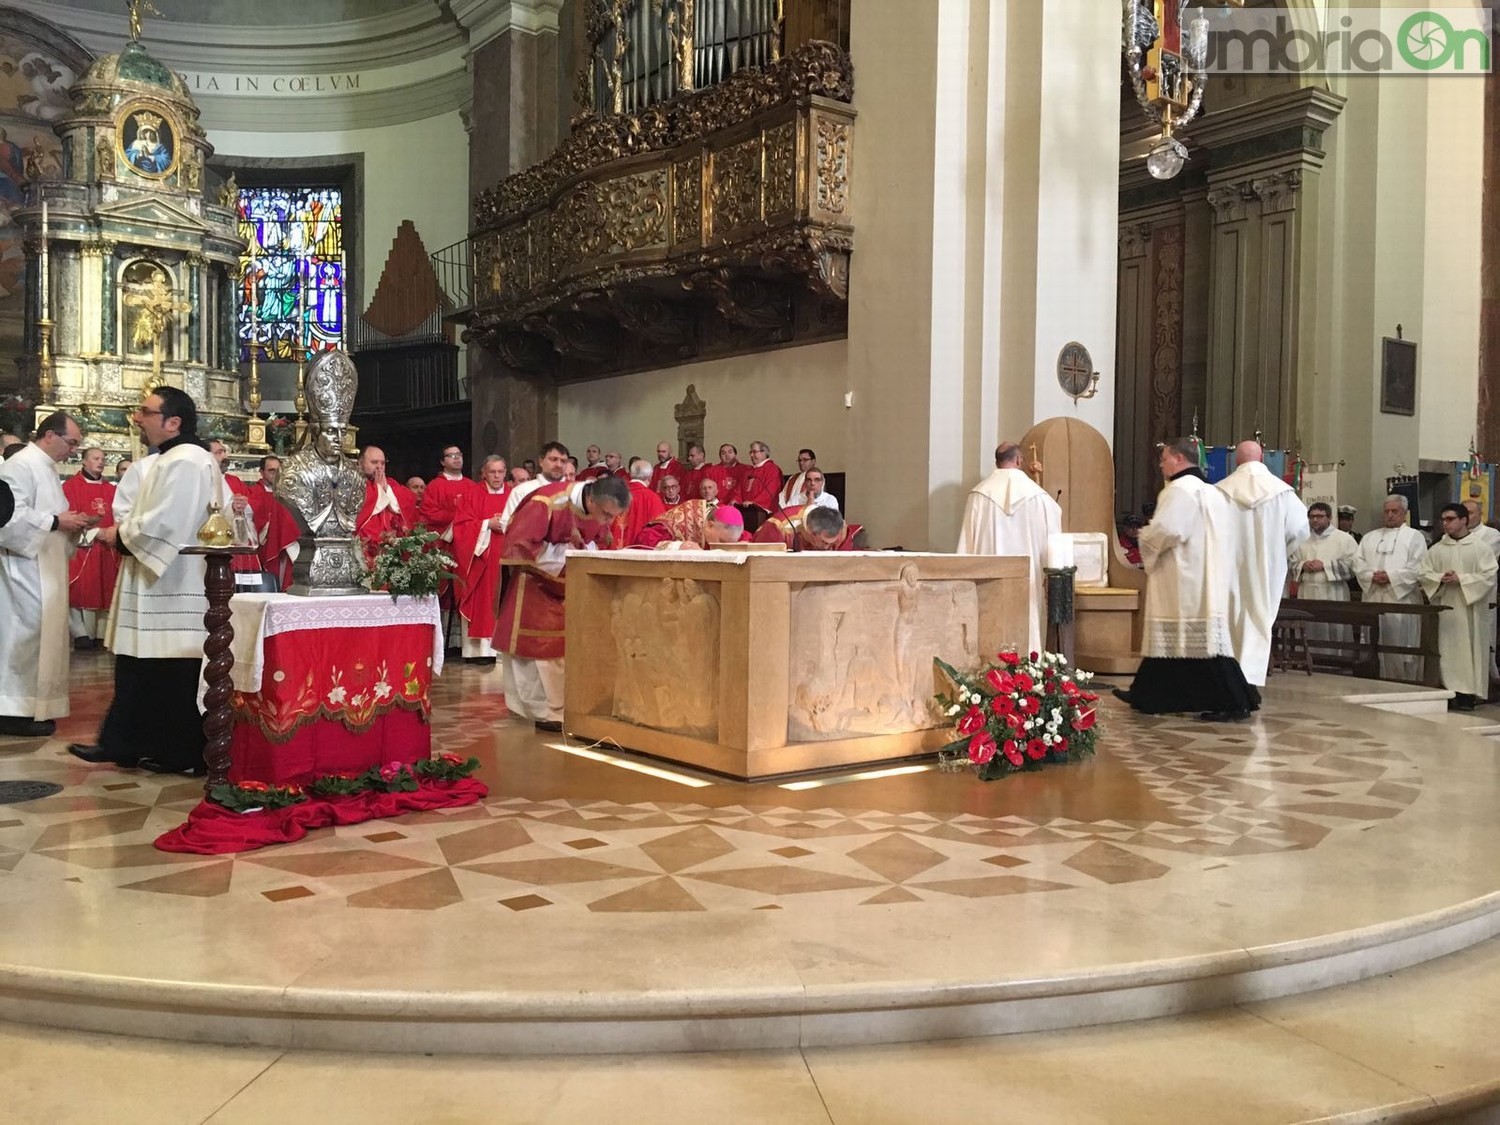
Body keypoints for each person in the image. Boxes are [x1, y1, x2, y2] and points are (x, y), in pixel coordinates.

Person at [69, 389, 227, 774]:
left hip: (174, 581)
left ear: (173, 422)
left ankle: (181, 753)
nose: (137, 418)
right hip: (156, 576)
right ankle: (128, 743)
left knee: (170, 670)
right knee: (141, 664)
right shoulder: (170, 459)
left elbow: (168, 520)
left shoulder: (188, 461)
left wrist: (119, 535)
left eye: (146, 412)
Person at [1116, 438, 1258, 722]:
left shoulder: (1179, 490)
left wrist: (1145, 537)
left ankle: (1235, 701)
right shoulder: (1212, 492)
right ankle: (1148, 695)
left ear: (1179, 459)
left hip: (1182, 577)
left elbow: (1168, 529)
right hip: (1206, 575)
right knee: (1180, 643)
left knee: (1200, 644)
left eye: (1164, 458)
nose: (1161, 464)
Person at [495, 473, 629, 732]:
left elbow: (598, 540)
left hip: (569, 586)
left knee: (568, 649)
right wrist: (567, 554)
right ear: (591, 498)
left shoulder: (597, 509)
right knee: (539, 651)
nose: (607, 521)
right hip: (535, 583)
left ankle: (566, 707)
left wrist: (585, 552)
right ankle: (543, 711)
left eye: (613, 516)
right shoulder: (546, 502)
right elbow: (519, 545)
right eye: (605, 514)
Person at [0, 412, 92, 736]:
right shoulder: (20, 465)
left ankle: (35, 707)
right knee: (22, 639)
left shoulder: (46, 469)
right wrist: (56, 522)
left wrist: (73, 524)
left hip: (45, 566)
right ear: (50, 435)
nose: (73, 451)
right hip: (22, 569)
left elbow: (52, 515)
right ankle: (12, 711)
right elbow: (7, 519)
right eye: (72, 443)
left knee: (43, 639)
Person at [1215, 440, 1311, 687]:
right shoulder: (1282, 492)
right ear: (1261, 459)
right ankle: (1249, 682)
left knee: (1229, 620)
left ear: (1236, 460)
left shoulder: (1219, 491)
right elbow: (1299, 530)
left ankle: (1228, 681)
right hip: (1266, 569)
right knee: (1257, 618)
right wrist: (1279, 551)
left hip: (1227, 568)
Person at [954, 442, 1062, 657]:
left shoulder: (978, 495)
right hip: (1029, 580)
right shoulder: (1040, 498)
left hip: (988, 582)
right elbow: (1054, 538)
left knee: (990, 629)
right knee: (1028, 626)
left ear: (996, 462)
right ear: (1020, 460)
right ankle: (1029, 675)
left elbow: (966, 548)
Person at [1421, 503, 1499, 712]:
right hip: (1446, 609)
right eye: (1443, 520)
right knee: (1446, 651)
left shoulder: (1479, 547)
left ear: (1464, 520)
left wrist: (1461, 579)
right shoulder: (1437, 549)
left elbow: (1489, 575)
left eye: (1450, 519)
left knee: (1468, 652)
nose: (1445, 523)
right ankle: (1447, 692)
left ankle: (1466, 696)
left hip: (1469, 609)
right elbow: (1424, 574)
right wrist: (1440, 578)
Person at [1353, 495, 1429, 681]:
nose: (1390, 515)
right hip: (1373, 595)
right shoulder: (1371, 537)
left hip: (1400, 598)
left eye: (1395, 511)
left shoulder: (1414, 537)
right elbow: (1357, 562)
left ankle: (1403, 679)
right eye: (1387, 511)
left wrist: (1392, 577)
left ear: (1404, 514)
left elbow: (1419, 566)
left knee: (1401, 641)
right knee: (1373, 639)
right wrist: (1371, 576)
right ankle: (1372, 675)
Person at [451, 455, 511, 663]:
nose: (496, 476)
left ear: (505, 472)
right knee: (483, 600)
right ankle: (480, 651)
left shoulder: (513, 495)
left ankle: (503, 647)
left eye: (500, 471)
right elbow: (460, 527)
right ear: (484, 473)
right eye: (492, 472)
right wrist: (486, 524)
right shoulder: (471, 495)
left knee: (507, 599)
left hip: (507, 558)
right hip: (481, 560)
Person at [62, 446, 120, 649]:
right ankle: (80, 633)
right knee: (80, 590)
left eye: (103, 458)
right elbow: (67, 520)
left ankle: (101, 635)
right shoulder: (70, 487)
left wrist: (113, 532)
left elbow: (120, 517)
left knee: (105, 588)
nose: (101, 462)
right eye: (96, 458)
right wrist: (96, 533)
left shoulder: (111, 490)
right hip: (82, 548)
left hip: (107, 549)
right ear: (84, 461)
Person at [1290, 502, 1360, 663]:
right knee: (1309, 628)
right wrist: (1302, 565)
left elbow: (1355, 565)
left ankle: (1336, 661)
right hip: (1307, 591)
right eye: (1312, 517)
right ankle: (1307, 660)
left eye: (1319, 516)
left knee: (1333, 627)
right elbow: (1291, 562)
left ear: (1329, 518)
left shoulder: (1344, 539)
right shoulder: (1302, 538)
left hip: (1333, 591)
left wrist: (1325, 566)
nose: (1315, 520)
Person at [247, 454, 300, 589]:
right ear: (261, 472)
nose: (276, 474)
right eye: (271, 471)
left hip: (284, 542)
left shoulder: (290, 493)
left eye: (278, 470)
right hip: (265, 544)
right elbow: (250, 519)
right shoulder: (254, 492)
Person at [355, 445, 417, 557]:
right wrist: (378, 491)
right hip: (367, 542)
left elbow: (410, 500)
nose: (379, 467)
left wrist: (387, 490)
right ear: (360, 463)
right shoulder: (354, 484)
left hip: (393, 542)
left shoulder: (391, 484)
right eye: (374, 462)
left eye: (382, 463)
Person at [1462, 499, 1500, 685]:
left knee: (1482, 638)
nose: (1467, 517)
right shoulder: (1452, 535)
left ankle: (1485, 680)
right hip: (1457, 593)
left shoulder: (1491, 535)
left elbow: (1484, 563)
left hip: (1482, 594)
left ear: (1480, 515)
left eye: (1470, 513)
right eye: (1464, 513)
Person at [636, 501, 749, 549]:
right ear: (710, 525)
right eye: (722, 541)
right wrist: (678, 547)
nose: (723, 548)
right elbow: (643, 542)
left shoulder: (729, 529)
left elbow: (745, 538)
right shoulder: (683, 517)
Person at [753, 504, 865, 551]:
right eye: (825, 542)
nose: (828, 548)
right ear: (811, 532)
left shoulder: (840, 528)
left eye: (832, 543)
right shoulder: (778, 528)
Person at [617, 457, 666, 547]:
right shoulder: (652, 498)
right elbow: (660, 528)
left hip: (614, 553)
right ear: (650, 476)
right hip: (639, 553)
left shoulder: (616, 494)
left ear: (631, 474)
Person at [739, 441, 782, 521]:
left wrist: (755, 503)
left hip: (764, 513)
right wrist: (735, 500)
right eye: (751, 452)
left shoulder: (772, 469)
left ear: (764, 453)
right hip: (746, 510)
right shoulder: (748, 472)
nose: (751, 455)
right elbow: (739, 490)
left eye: (754, 452)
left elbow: (771, 490)